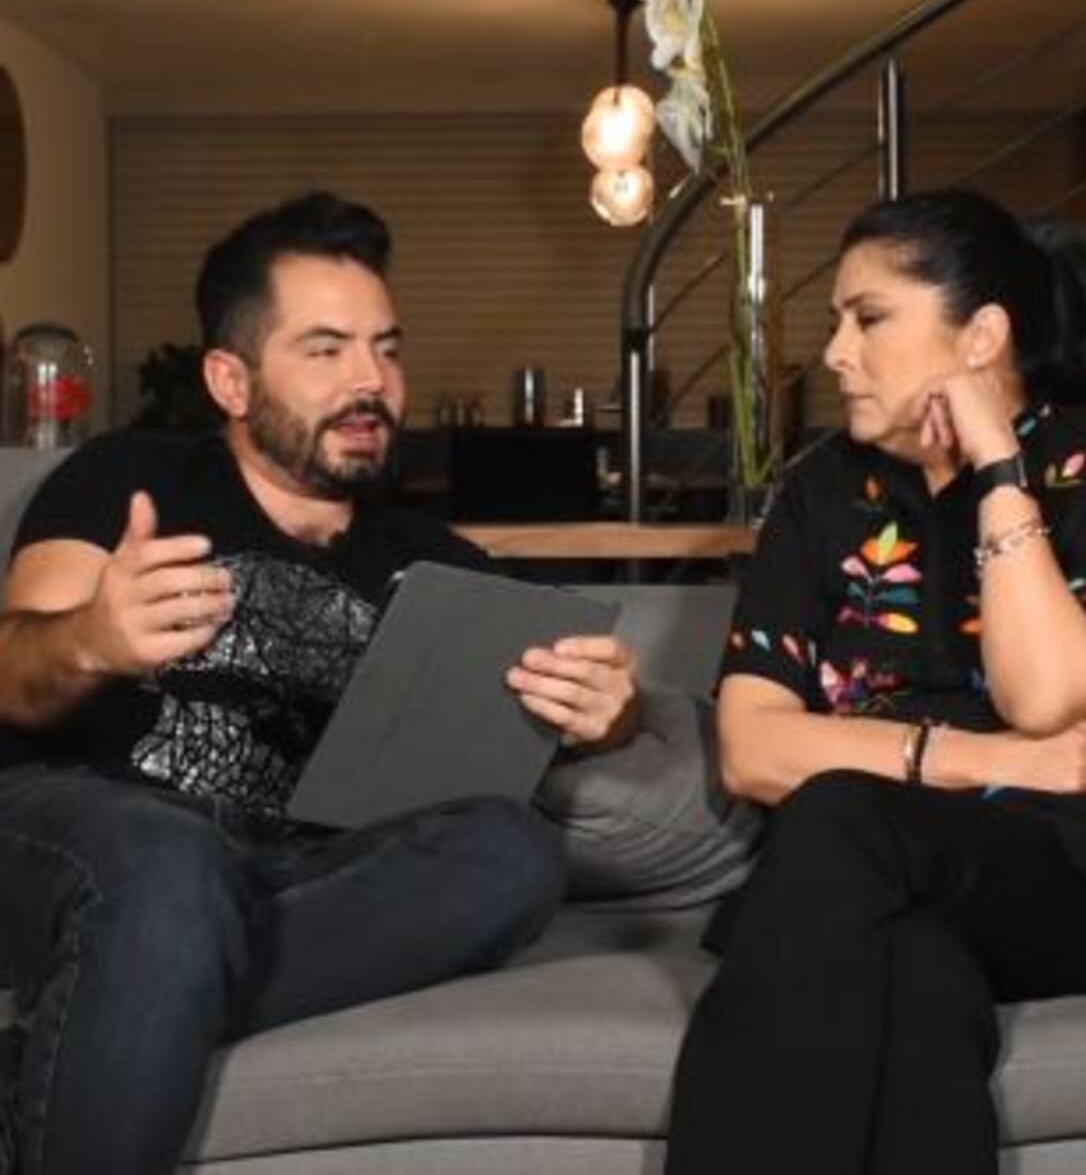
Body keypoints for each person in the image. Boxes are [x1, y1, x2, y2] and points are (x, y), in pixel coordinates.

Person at [0, 191, 638, 1175]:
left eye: (386, 349)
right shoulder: (127, 477)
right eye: (327, 350)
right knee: (171, 865)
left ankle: (112, 1002)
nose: (370, 380)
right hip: (87, 824)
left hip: (293, 870)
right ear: (231, 379)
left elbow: (572, 714)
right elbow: (12, 673)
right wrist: (90, 637)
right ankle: (142, 963)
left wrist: (606, 712)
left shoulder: (439, 563)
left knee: (513, 854)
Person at [664, 188, 1086, 1174]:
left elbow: (1046, 697)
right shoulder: (822, 492)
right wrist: (993, 760)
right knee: (913, 975)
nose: (834, 352)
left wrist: (997, 467)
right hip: (875, 879)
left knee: (837, 812)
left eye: (867, 319)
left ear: (981, 336)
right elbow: (750, 748)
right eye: (837, 322)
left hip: (1085, 873)